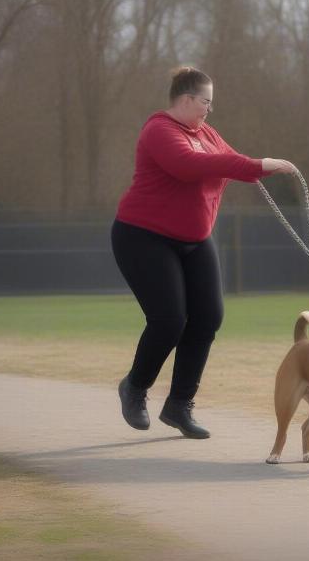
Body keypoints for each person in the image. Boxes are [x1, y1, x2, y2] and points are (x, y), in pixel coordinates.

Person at [111, 66, 297, 439]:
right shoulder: (159, 130)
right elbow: (190, 166)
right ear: (187, 99)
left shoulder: (206, 133)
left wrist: (258, 168)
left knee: (208, 317)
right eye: (206, 101)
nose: (210, 109)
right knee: (169, 320)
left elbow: (227, 157)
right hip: (143, 236)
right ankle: (135, 387)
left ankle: (179, 405)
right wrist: (257, 166)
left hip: (194, 239)